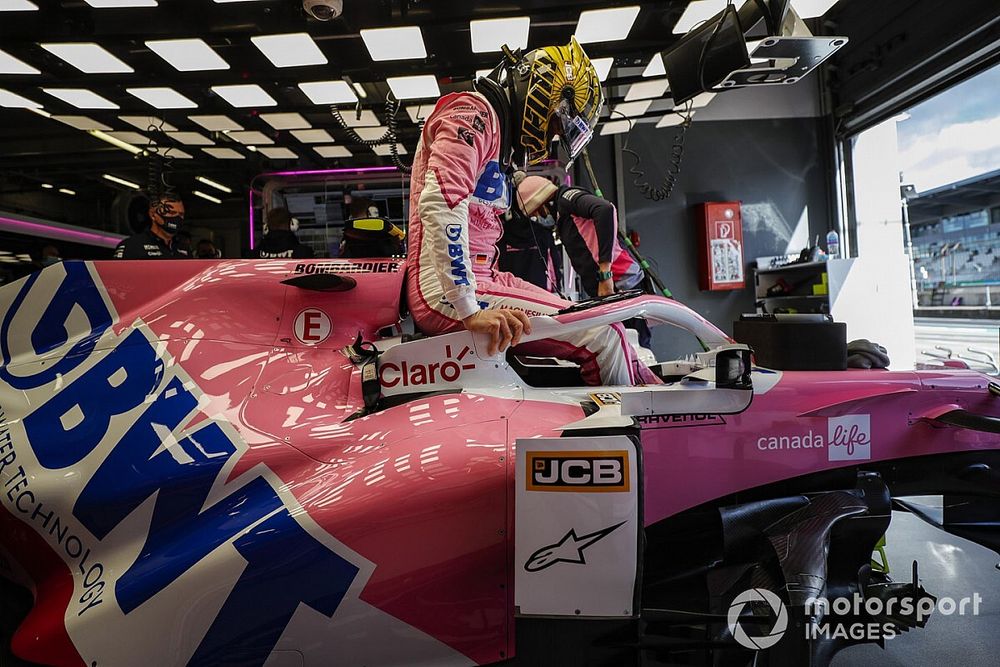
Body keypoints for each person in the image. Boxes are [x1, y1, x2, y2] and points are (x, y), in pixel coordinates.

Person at [407, 37, 658, 386]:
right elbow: (441, 203)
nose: (552, 137)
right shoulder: (472, 113)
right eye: (556, 125)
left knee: (601, 319)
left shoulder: (495, 134)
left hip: (483, 279)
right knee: (604, 334)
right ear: (540, 95)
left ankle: (645, 389)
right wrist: (467, 307)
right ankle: (633, 431)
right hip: (446, 291)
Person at [517, 175, 652, 347]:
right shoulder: (561, 216)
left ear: (543, 201)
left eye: (536, 212)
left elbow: (605, 209)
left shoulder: (567, 198)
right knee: (620, 349)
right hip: (606, 290)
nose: (537, 218)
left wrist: (605, 274)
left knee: (635, 350)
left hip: (620, 285)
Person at [114, 197, 185, 259]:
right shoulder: (131, 246)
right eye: (171, 213)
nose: (177, 218)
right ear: (153, 215)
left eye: (181, 214)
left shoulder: (184, 248)